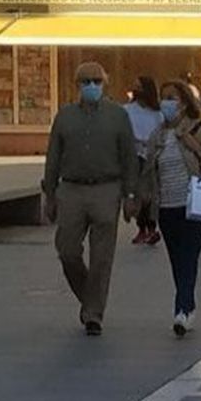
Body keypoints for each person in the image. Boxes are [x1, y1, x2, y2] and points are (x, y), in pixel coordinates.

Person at [42, 62, 139, 336]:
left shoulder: (118, 116)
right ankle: (89, 296)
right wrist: (50, 193)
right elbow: (53, 158)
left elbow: (129, 157)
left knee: (101, 257)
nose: (91, 86)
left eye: (96, 81)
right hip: (71, 189)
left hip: (107, 189)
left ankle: (94, 313)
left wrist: (131, 194)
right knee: (67, 250)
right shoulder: (65, 117)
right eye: (86, 82)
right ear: (77, 85)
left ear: (104, 83)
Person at [140, 82, 201, 336]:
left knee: (189, 257)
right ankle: (188, 303)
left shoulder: (200, 129)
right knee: (177, 261)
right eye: (163, 98)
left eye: (171, 98)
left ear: (184, 103)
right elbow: (148, 174)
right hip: (166, 208)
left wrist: (194, 146)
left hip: (194, 206)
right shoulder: (157, 136)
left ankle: (181, 310)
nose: (166, 103)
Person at [126, 76, 163, 246]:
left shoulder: (158, 113)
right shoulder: (127, 110)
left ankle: (152, 227)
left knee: (151, 195)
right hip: (135, 156)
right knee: (139, 193)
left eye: (140, 87)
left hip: (153, 156)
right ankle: (142, 228)